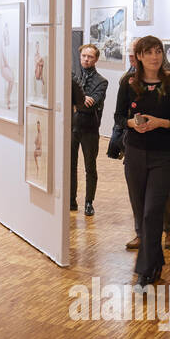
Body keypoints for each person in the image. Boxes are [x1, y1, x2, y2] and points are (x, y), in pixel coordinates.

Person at [112, 36, 170, 285]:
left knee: (152, 212)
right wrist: (131, 123)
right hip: (135, 153)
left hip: (164, 156)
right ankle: (155, 261)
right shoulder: (129, 82)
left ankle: (145, 270)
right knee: (141, 212)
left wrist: (161, 123)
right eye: (148, 52)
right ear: (139, 56)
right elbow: (118, 116)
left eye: (158, 51)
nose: (154, 57)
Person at [71, 43, 107, 216]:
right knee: (70, 165)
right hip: (72, 127)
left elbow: (91, 104)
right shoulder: (72, 76)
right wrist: (81, 101)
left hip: (90, 129)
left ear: (96, 59)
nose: (86, 59)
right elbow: (73, 101)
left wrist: (77, 103)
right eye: (84, 56)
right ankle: (71, 200)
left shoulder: (101, 81)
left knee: (90, 167)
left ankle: (88, 202)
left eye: (90, 56)